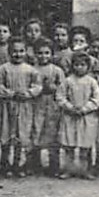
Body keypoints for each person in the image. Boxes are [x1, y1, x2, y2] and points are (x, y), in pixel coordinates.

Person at [55, 51, 99, 179]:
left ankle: (85, 169)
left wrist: (85, 108)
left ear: (88, 66)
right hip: (70, 116)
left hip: (86, 117)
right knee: (69, 145)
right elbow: (60, 97)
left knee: (85, 146)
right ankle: (69, 169)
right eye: (76, 65)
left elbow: (97, 99)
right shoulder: (67, 81)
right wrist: (70, 107)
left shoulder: (92, 82)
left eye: (82, 65)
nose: (79, 67)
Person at [0, 40, 39, 177]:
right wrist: (10, 93)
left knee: (22, 134)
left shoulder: (30, 69)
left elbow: (37, 86)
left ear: (26, 52)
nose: (18, 54)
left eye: (21, 51)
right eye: (14, 51)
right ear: (9, 52)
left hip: (24, 106)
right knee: (7, 133)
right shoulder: (3, 68)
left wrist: (28, 93)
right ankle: (5, 163)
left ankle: (18, 164)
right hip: (8, 106)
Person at [31, 41, 65, 177]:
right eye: (40, 53)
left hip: (52, 103)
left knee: (53, 132)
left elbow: (63, 88)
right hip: (36, 103)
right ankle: (34, 163)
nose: (43, 56)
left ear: (52, 54)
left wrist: (54, 88)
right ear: (35, 54)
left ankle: (54, 165)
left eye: (46, 53)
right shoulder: (32, 69)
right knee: (35, 130)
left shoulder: (56, 70)